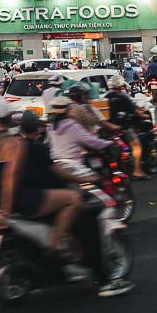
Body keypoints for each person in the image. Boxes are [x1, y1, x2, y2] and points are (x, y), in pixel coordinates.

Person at [16, 111, 133, 297]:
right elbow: (60, 170)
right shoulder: (45, 142)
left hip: (23, 198)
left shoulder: (14, 146)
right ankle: (102, 280)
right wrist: (86, 178)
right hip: (43, 195)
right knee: (87, 222)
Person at [0, 102, 82, 260]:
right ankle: (54, 245)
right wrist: (6, 207)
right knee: (74, 198)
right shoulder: (15, 143)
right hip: (15, 200)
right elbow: (10, 176)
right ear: (8, 119)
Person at [46, 96, 114, 173]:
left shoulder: (51, 127)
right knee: (97, 177)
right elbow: (89, 140)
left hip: (57, 162)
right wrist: (107, 143)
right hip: (75, 163)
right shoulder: (71, 125)